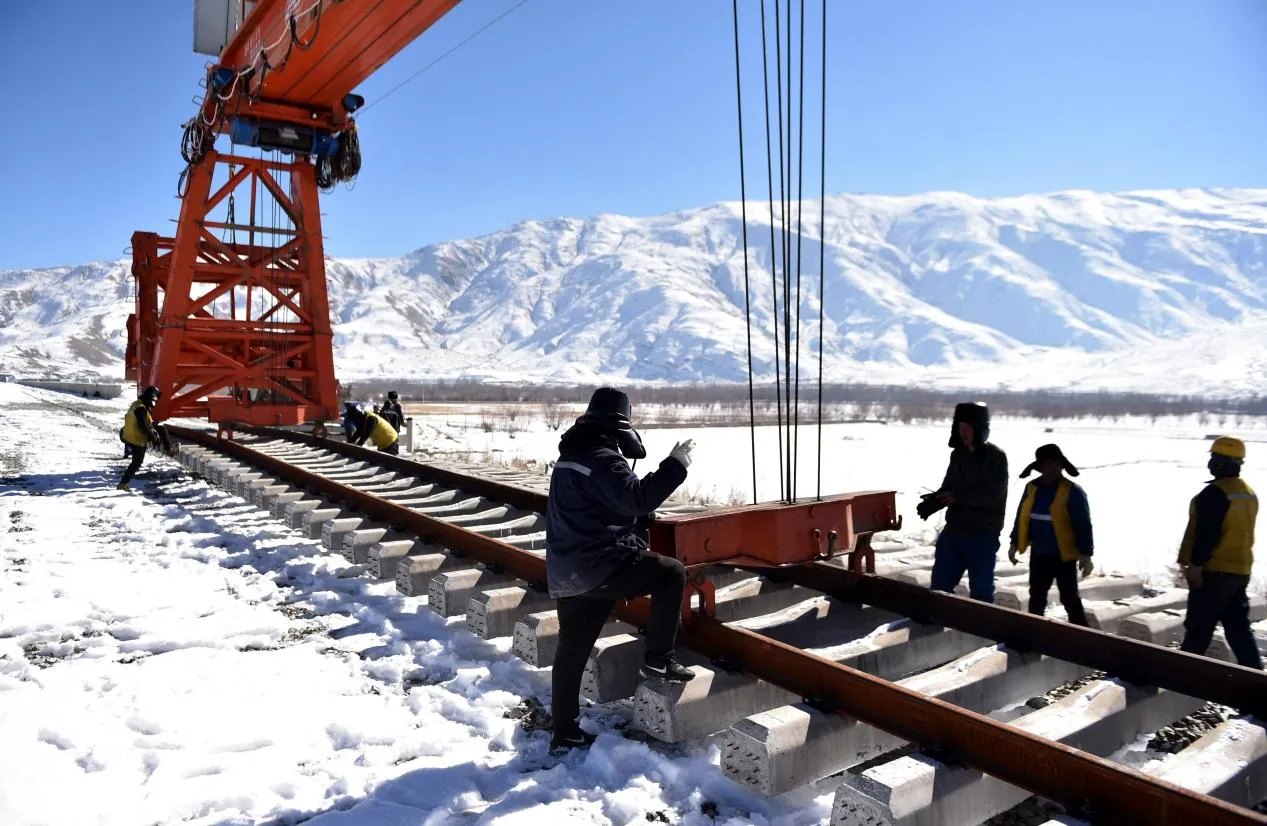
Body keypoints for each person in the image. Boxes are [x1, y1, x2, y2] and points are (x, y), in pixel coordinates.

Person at [545, 387, 696, 754]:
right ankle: (659, 659)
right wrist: (675, 465)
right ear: (620, 429)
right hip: (599, 566)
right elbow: (638, 497)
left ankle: (564, 731)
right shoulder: (603, 459)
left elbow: (602, 504)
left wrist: (635, 517)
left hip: (568, 573)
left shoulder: (571, 458)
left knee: (571, 653)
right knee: (671, 573)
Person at [1177, 436, 1263, 669]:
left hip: (1214, 571)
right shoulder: (1247, 492)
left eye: (1216, 458)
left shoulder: (1215, 493)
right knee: (1238, 628)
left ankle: (1182, 675)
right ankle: (1255, 677)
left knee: (1198, 628)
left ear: (1226, 462)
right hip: (1240, 571)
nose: (1212, 462)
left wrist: (1196, 565)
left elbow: (1208, 534)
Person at [916, 402, 1009, 602]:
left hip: (982, 534)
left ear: (980, 428)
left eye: (967, 427)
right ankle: (938, 618)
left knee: (981, 593)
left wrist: (958, 498)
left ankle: (981, 623)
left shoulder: (996, 457)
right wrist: (934, 502)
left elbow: (994, 494)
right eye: (960, 427)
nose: (963, 432)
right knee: (940, 586)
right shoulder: (958, 455)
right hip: (954, 530)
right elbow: (949, 486)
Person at [1007, 444, 1094, 625]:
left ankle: (1083, 636)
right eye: (1047, 464)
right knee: (1036, 598)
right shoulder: (1031, 488)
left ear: (1061, 466)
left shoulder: (1073, 492)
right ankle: (1034, 634)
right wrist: (1014, 543)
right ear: (1040, 467)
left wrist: (1086, 555)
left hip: (1064, 557)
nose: (1051, 468)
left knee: (1070, 598)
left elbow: (1083, 526)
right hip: (1039, 555)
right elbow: (1021, 517)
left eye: (1055, 464)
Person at [117, 385, 171, 491]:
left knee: (160, 428)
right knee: (137, 462)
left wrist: (153, 428)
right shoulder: (141, 408)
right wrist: (153, 437)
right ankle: (122, 484)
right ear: (151, 398)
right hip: (137, 438)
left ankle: (123, 484)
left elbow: (140, 422)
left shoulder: (137, 404)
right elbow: (143, 426)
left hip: (128, 435)